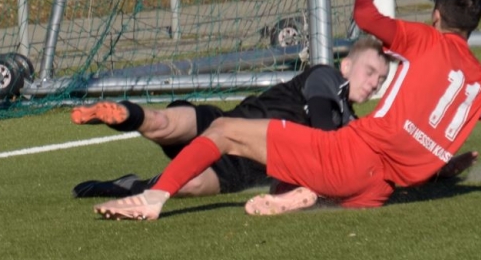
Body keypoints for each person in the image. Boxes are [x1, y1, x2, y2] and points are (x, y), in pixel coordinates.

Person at [92, 0, 481, 220]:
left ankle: (154, 198)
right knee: (306, 167)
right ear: (473, 27)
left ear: (435, 16)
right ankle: (298, 196)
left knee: (223, 130)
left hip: (349, 158)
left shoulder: (425, 40)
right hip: (379, 192)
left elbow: (366, 22)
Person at [70, 36, 393, 199]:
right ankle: (122, 114)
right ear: (347, 66)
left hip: (240, 168)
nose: (373, 83)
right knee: (162, 124)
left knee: (191, 185)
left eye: (380, 80)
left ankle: (125, 185)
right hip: (224, 125)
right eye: (369, 72)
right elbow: (324, 132)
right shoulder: (328, 79)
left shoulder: (348, 121)